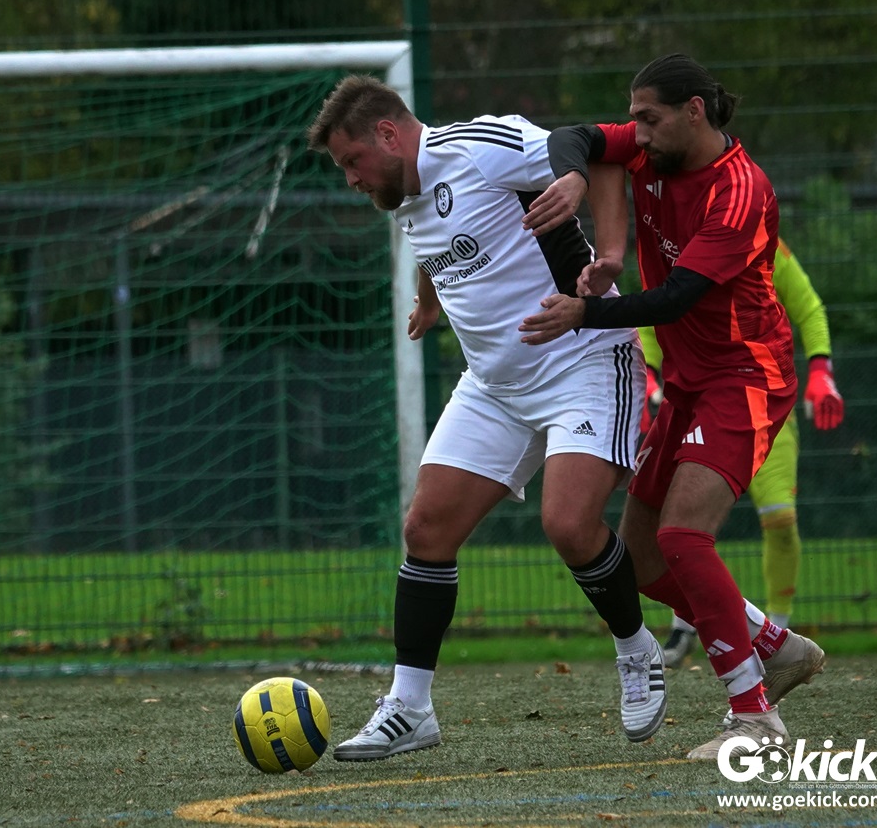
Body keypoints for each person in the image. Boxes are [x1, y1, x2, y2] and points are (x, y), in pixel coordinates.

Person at [306, 74, 668, 761]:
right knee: (425, 528)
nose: (350, 179)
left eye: (352, 161)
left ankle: (636, 648)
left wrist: (610, 255)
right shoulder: (401, 192)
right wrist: (428, 299)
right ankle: (410, 708)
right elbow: (435, 237)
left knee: (569, 525)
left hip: (582, 361)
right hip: (494, 385)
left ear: (388, 134)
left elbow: (603, 153)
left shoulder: (481, 145)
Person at [519, 53, 825, 759]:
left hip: (746, 378)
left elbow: (677, 298)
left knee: (685, 537)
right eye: (634, 118)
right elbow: (574, 138)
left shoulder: (740, 191)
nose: (638, 132)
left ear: (694, 111)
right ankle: (775, 646)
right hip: (689, 381)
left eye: (649, 118)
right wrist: (574, 177)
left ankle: (755, 719)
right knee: (643, 558)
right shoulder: (651, 146)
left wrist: (583, 311)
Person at [645, 239, 845, 666]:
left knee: (780, 519)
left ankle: (779, 633)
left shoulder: (760, 238)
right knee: (683, 525)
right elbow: (652, 313)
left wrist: (821, 369)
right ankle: (687, 625)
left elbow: (809, 306)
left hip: (761, 400)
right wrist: (646, 373)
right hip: (696, 403)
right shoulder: (667, 235)